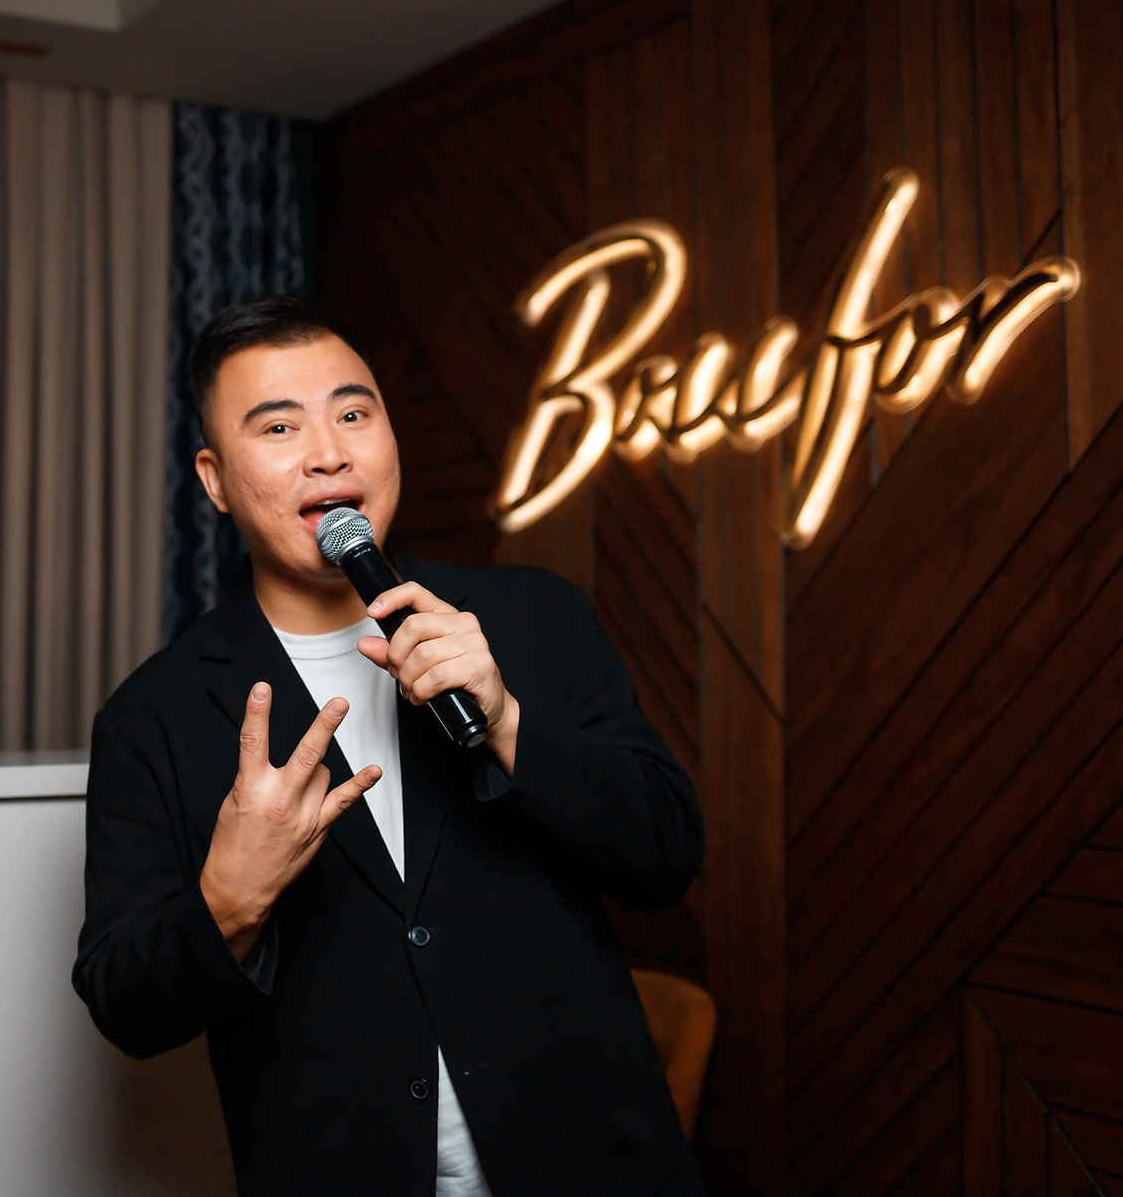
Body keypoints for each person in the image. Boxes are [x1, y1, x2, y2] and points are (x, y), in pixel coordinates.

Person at [72, 297, 705, 1197]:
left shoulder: (534, 618)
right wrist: (228, 902)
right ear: (214, 480)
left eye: (353, 414)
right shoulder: (154, 716)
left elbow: (666, 854)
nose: (328, 452)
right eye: (280, 427)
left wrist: (509, 723)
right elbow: (125, 1005)